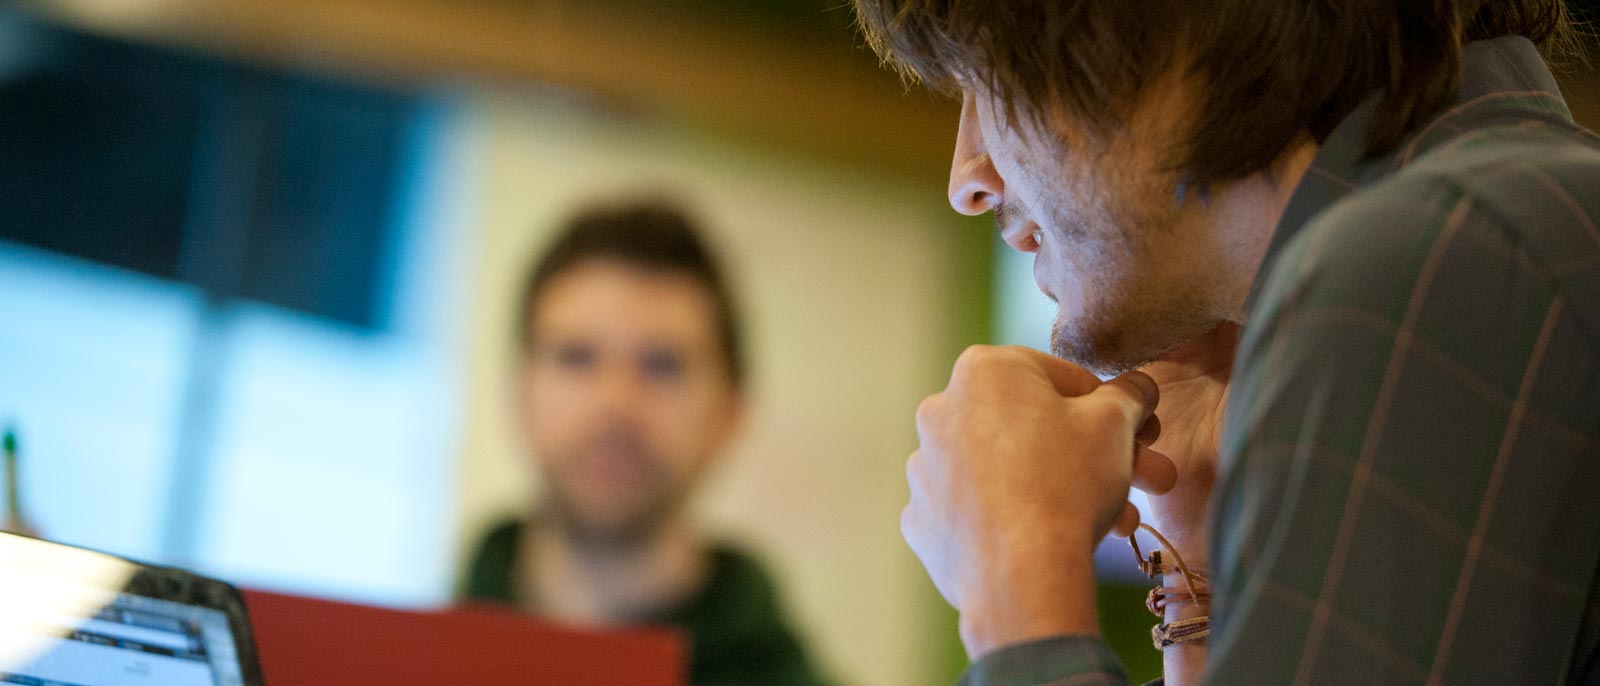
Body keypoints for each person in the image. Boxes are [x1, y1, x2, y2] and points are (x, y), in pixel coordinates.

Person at [852, 1, 1600, 684]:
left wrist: (1015, 581)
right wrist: (1195, 575)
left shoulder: (1440, 249)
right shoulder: (1503, 226)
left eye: (986, 79)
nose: (967, 178)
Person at [460, 200, 829, 686]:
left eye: (662, 365)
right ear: (519, 392)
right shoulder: (397, 666)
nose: (615, 403)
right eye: (577, 357)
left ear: (730, 412)